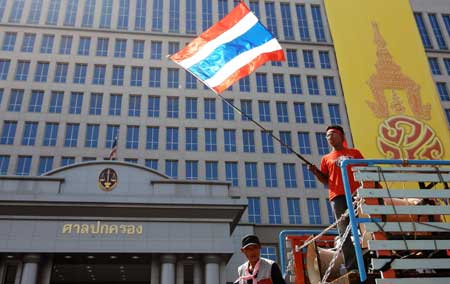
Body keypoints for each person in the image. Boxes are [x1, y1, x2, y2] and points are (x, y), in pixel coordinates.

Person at [308, 125, 364, 273]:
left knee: (365, 227)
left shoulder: (355, 153)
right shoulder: (326, 158)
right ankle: (353, 265)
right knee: (343, 231)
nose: (330, 137)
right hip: (337, 197)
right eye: (327, 136)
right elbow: (325, 180)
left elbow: (365, 170)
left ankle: (371, 257)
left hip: (357, 194)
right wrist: (315, 172)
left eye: (333, 134)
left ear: (341, 136)